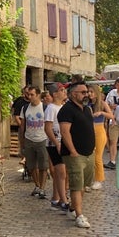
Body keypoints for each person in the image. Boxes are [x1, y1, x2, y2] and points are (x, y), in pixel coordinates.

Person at [57, 81, 94, 229]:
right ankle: (79, 215)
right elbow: (65, 132)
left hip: (88, 153)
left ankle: (73, 208)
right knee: (76, 185)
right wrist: (72, 151)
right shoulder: (66, 110)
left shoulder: (86, 109)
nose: (87, 94)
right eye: (83, 92)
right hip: (74, 154)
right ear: (73, 94)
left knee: (84, 185)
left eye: (87, 92)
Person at [20, 86, 50, 199]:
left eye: (32, 94)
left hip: (42, 139)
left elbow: (48, 124)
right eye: (28, 94)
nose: (29, 97)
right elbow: (22, 125)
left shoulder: (45, 108)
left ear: (38, 95)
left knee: (43, 166)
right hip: (29, 139)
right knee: (31, 165)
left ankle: (42, 187)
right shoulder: (25, 108)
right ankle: (37, 185)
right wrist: (21, 141)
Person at [44, 83, 69, 212]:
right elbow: (47, 128)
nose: (64, 92)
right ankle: (63, 200)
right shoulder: (51, 108)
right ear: (55, 94)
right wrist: (56, 143)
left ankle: (56, 197)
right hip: (54, 144)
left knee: (61, 173)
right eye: (61, 90)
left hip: (63, 142)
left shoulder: (63, 107)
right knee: (61, 173)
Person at [88, 85, 114, 190]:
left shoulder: (102, 104)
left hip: (99, 130)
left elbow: (111, 116)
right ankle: (91, 178)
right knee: (90, 157)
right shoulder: (87, 104)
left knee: (98, 157)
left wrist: (101, 112)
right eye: (88, 92)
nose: (89, 94)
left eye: (91, 91)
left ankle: (99, 179)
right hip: (89, 131)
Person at [104, 78, 119, 170]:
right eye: (117, 85)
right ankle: (112, 161)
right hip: (113, 120)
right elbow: (105, 105)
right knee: (113, 141)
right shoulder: (111, 93)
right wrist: (110, 106)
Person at [12, 86, 29, 164]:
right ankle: (24, 160)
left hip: (33, 128)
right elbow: (17, 116)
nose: (28, 95)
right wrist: (22, 127)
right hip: (23, 127)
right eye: (27, 93)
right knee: (23, 145)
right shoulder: (20, 102)